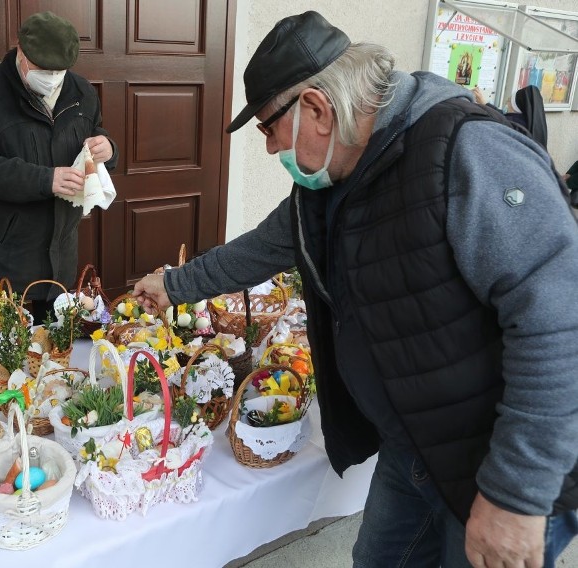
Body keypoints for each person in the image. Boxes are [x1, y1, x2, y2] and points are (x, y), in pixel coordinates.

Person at [133, 11, 578, 568]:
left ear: (317, 108)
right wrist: (173, 286)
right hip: (410, 448)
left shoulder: (467, 153)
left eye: (269, 129)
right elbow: (258, 250)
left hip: (492, 468)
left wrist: (517, 494)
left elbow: (560, 322)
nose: (271, 149)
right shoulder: (330, 181)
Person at [0, 11, 118, 322]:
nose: (52, 76)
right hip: (3, 258)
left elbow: (95, 133)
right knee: (6, 360)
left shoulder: (82, 92)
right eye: (43, 68)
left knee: (56, 357)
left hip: (60, 258)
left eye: (60, 70)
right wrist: (44, 179)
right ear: (21, 52)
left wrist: (107, 146)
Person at [473, 84, 548, 149]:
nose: (506, 103)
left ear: (515, 106)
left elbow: (500, 118)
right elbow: (500, 115)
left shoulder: (512, 124)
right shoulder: (532, 123)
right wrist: (485, 103)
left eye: (508, 101)